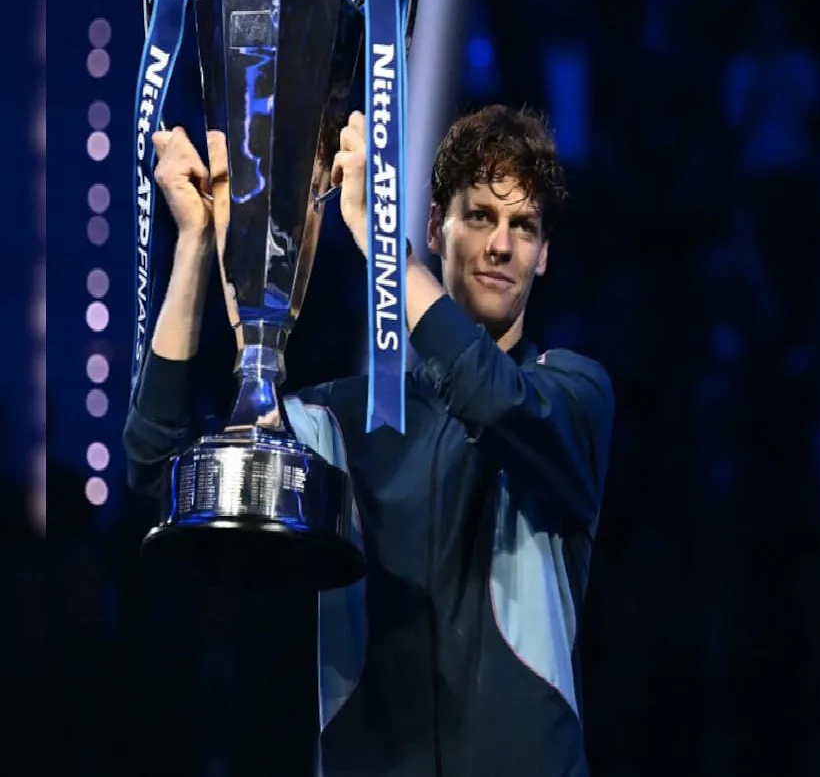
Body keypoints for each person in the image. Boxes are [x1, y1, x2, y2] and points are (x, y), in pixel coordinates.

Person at [123, 105, 615, 777]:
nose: (500, 245)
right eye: (478, 216)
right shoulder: (340, 423)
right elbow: (159, 471)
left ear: (544, 254)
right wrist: (193, 250)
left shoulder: (570, 396)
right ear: (437, 230)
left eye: (523, 226)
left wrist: (385, 251)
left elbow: (493, 400)